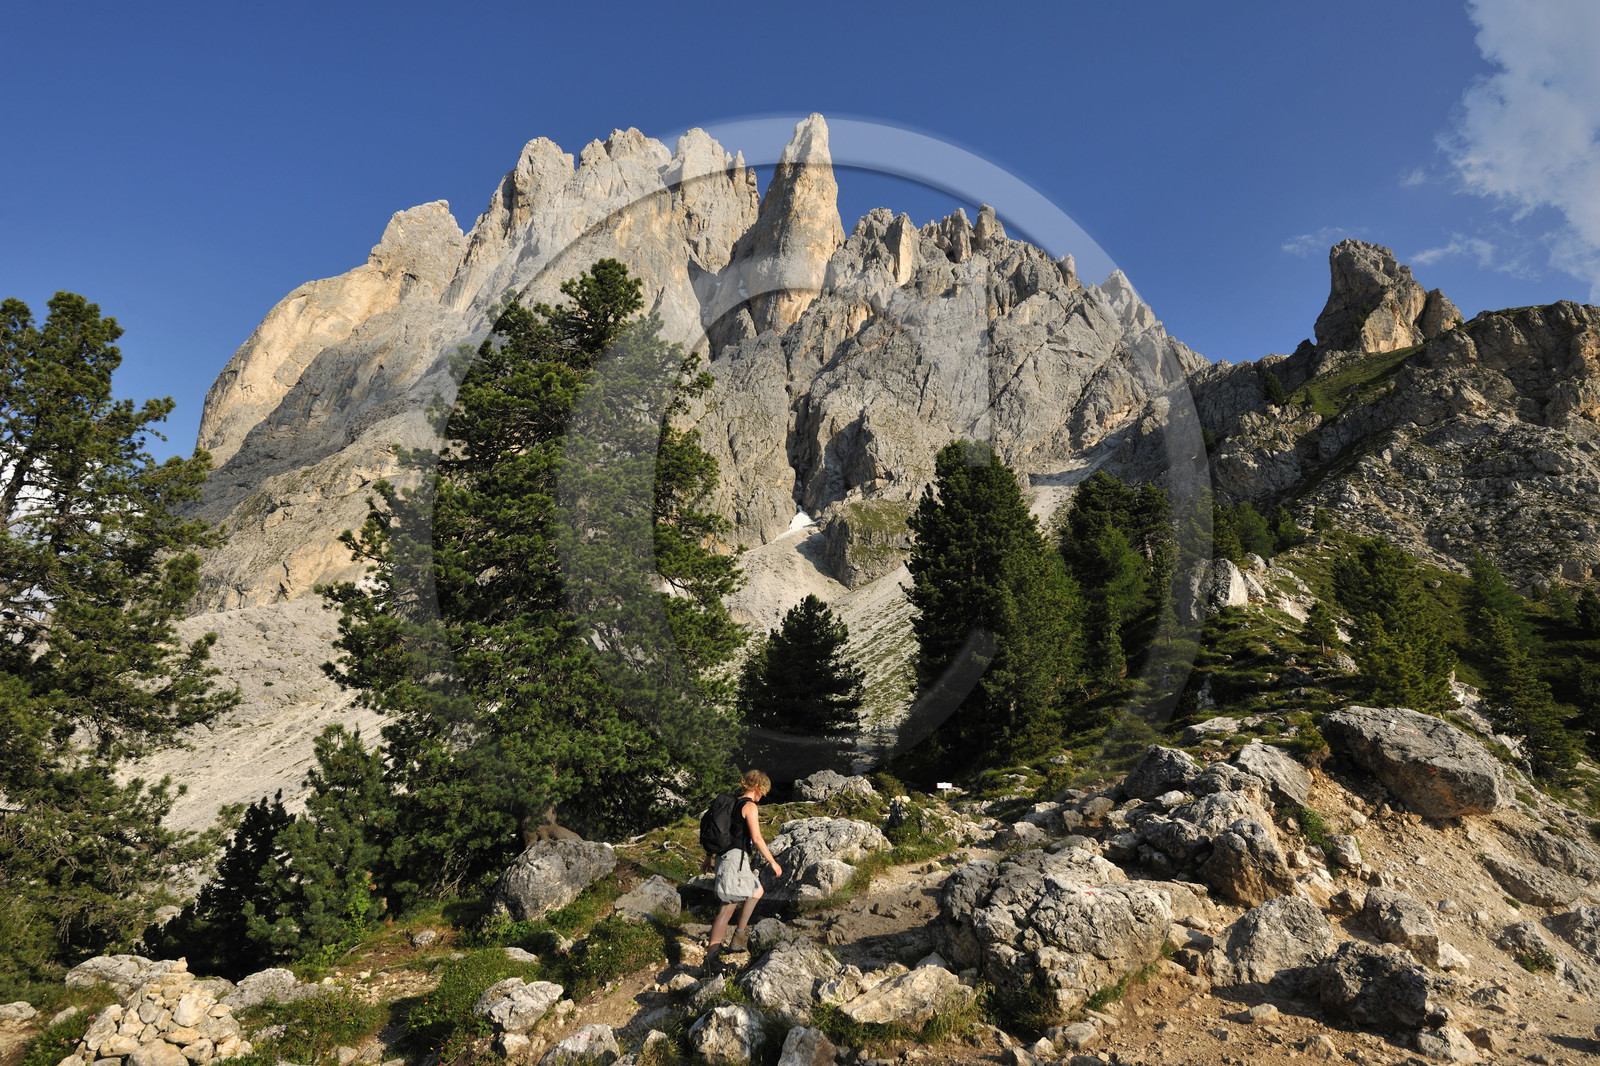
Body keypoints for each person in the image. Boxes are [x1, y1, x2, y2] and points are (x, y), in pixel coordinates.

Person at [702, 769, 782, 967]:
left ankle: (739, 936)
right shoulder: (749, 806)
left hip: (727, 859)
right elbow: (756, 838)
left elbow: (720, 832)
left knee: (757, 890)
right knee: (727, 907)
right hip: (734, 860)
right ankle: (711, 956)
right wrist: (772, 861)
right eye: (762, 791)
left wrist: (707, 858)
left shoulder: (730, 805)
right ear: (757, 787)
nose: (762, 795)